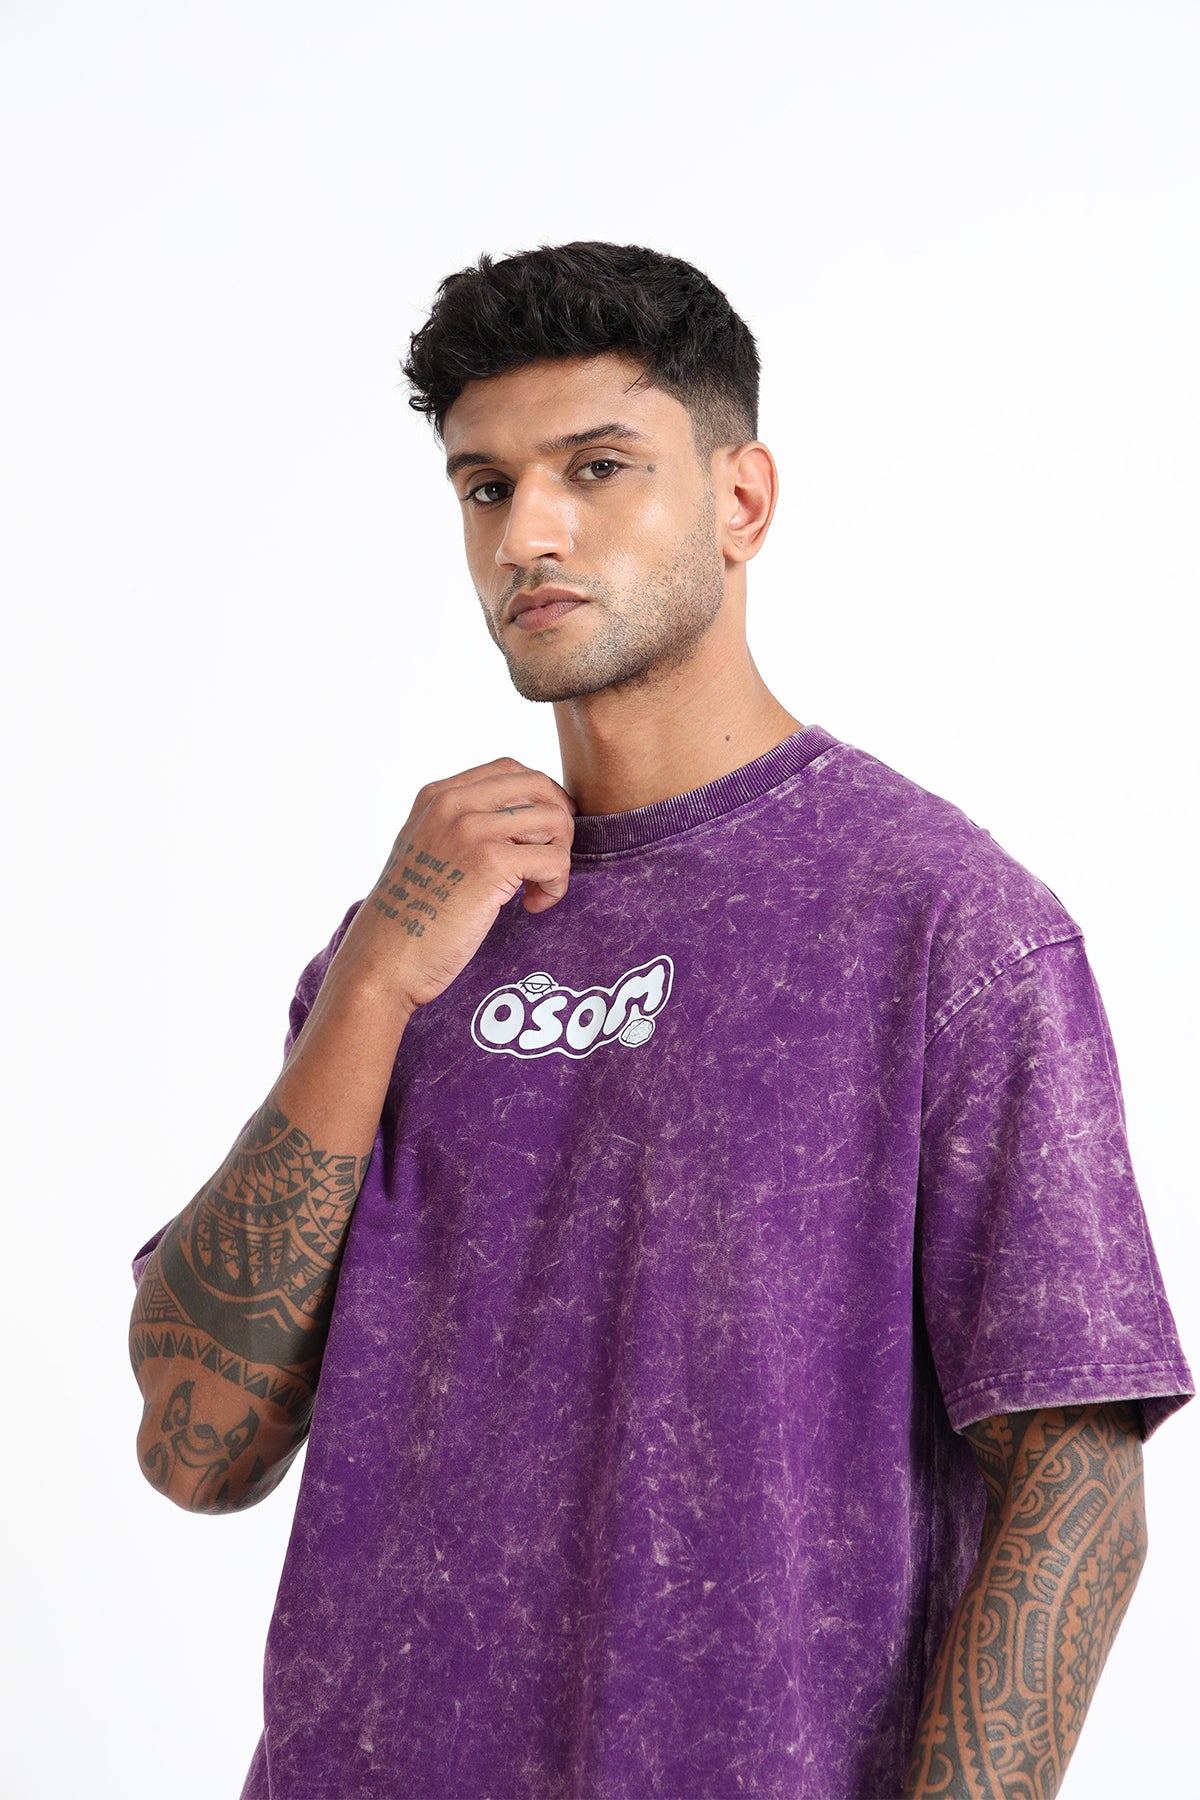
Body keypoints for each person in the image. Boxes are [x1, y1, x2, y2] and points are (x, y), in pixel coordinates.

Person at [130, 242, 1192, 1800]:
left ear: (742, 500)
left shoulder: (945, 926)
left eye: (599, 468)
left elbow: (1076, 1493)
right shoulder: (411, 939)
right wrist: (371, 984)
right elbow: (194, 1444)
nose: (529, 533)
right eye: (485, 487)